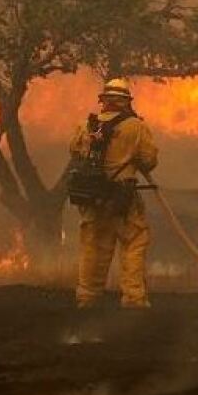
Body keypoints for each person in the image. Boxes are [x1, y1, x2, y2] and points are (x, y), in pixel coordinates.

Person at [68, 78, 158, 309]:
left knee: (93, 246)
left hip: (92, 196)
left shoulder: (87, 125)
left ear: (104, 101)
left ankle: (87, 298)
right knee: (134, 242)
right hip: (122, 198)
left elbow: (75, 151)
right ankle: (133, 299)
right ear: (126, 101)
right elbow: (149, 161)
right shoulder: (135, 126)